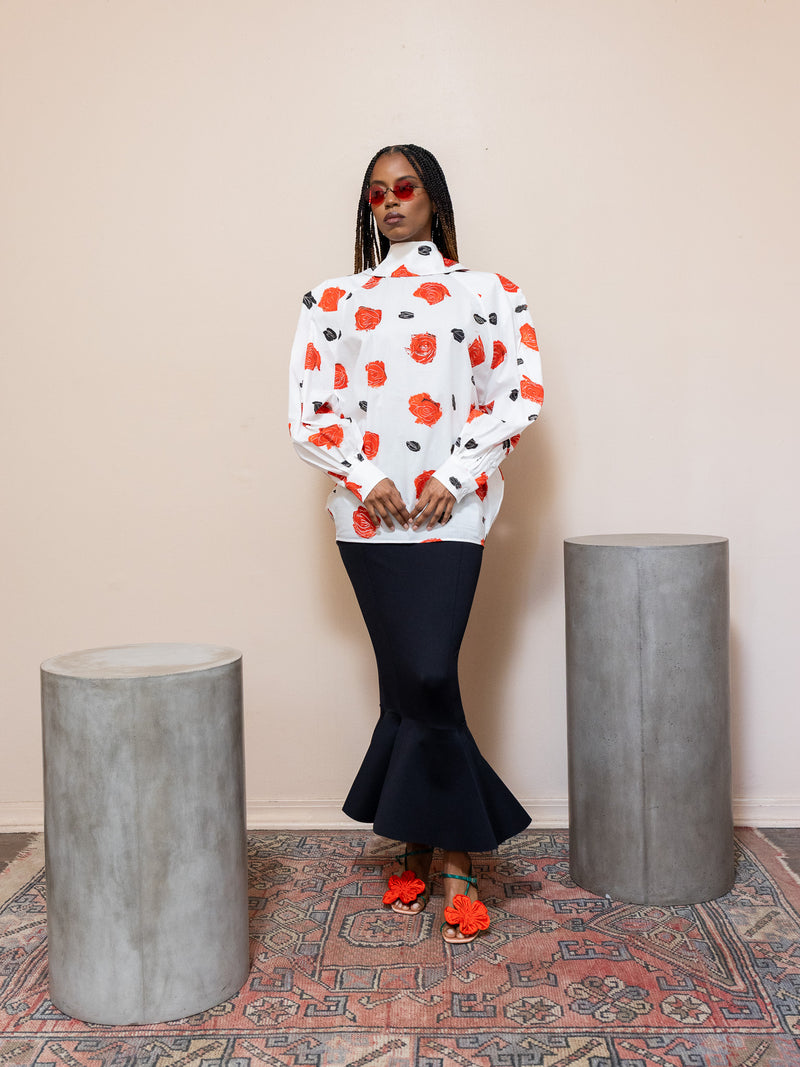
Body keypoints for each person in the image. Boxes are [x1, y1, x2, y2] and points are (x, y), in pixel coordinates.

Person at [288, 144, 543, 944]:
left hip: (453, 510)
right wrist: (365, 475)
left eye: (405, 187)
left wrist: (458, 473)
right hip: (365, 516)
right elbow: (311, 407)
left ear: (433, 196)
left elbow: (516, 392)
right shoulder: (335, 298)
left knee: (427, 672)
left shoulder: (490, 291)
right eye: (377, 193)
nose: (391, 201)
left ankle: (444, 848)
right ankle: (434, 847)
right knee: (407, 685)